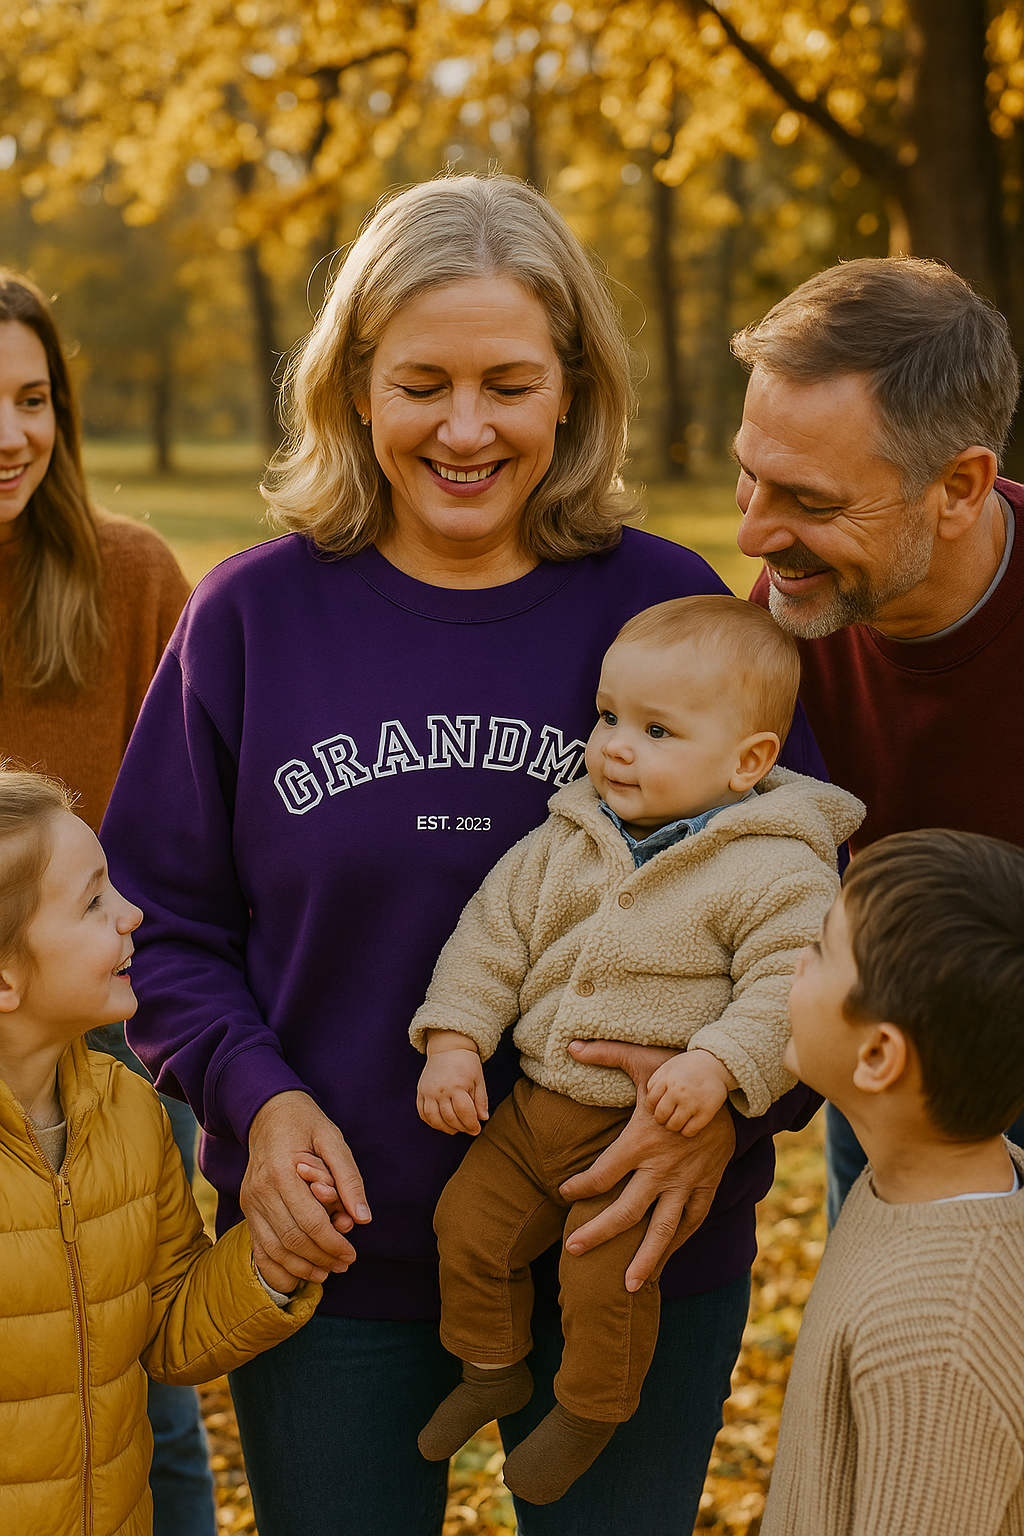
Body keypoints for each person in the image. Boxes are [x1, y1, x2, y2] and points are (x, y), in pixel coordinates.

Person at [101, 173, 827, 1536]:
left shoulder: (672, 609)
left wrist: (733, 1109)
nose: (467, 427)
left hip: (639, 1239)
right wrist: (253, 1104)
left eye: (508, 381)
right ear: (356, 389)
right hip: (337, 1259)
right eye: (423, 382)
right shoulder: (252, 618)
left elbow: (808, 911)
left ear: (571, 389)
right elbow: (162, 924)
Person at [398, 595, 862, 1504]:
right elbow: (491, 939)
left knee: (607, 1278)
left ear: (750, 762)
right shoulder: (567, 839)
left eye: (656, 730)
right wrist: (454, 1041)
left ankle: (591, 1407)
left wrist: (722, 1065)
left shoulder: (776, 868)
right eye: (608, 716)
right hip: (532, 1112)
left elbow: (788, 985)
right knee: (467, 1228)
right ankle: (492, 1365)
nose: (614, 744)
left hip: (638, 1137)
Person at [732, 256, 1024, 1219]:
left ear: (959, 488)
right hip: (880, 1061)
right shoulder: (784, 625)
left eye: (810, 502)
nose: (756, 536)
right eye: (749, 477)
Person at [0, 271, 217, 1533]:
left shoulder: (128, 579)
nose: (14, 434)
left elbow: (202, 819)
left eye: (34, 399)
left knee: (141, 1399)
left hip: (118, 1052)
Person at [0, 768, 320, 1536]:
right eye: (93, 903)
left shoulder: (131, 1112)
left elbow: (169, 1325)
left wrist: (268, 1266)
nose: (133, 915)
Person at [761, 829, 1024, 1536]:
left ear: (878, 1054)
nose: (794, 963)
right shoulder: (917, 1190)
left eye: (819, 949)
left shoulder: (939, 1345)